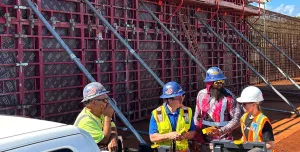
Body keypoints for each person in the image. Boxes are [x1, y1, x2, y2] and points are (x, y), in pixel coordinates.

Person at [193, 67, 241, 152]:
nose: (220, 85)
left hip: (223, 141)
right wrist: (196, 137)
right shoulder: (201, 95)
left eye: (222, 82)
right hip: (204, 142)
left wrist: (221, 131)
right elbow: (196, 116)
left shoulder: (229, 97)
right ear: (209, 83)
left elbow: (237, 119)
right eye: (217, 83)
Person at [149, 81, 196, 152]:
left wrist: (184, 136)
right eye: (179, 98)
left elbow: (192, 132)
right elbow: (153, 137)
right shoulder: (157, 114)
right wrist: (168, 136)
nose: (182, 100)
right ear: (170, 100)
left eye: (182, 97)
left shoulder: (186, 112)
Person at [74, 82, 118, 152]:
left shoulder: (100, 113)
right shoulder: (86, 120)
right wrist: (108, 117)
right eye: (104, 100)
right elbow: (104, 140)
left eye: (107, 99)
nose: (107, 103)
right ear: (94, 102)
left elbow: (113, 127)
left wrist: (113, 137)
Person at [237, 86, 275, 151]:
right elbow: (244, 138)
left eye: (244, 104)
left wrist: (255, 149)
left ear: (254, 104)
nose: (242, 106)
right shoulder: (243, 118)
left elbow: (270, 145)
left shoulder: (263, 121)